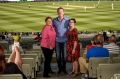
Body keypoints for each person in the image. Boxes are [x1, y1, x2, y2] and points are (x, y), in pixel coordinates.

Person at [53, 7, 69, 74]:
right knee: (58, 56)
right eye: (59, 12)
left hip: (65, 40)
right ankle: (60, 69)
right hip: (57, 41)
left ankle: (64, 68)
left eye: (61, 12)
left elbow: (71, 27)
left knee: (65, 56)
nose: (60, 13)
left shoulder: (67, 19)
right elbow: (51, 29)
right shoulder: (54, 20)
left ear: (63, 12)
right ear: (57, 13)